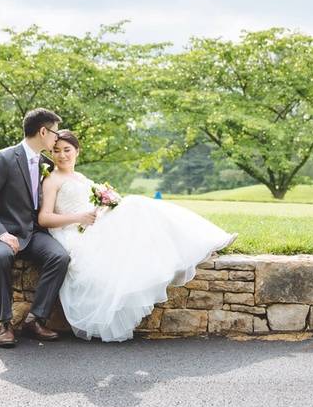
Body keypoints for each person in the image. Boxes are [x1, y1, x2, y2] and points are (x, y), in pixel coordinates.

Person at [37, 130, 237, 342]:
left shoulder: (80, 177)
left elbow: (91, 207)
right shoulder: (52, 180)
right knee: (136, 205)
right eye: (56, 151)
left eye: (67, 150)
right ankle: (197, 247)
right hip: (74, 234)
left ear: (77, 151)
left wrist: (105, 206)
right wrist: (79, 218)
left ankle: (202, 242)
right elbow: (44, 218)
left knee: (139, 209)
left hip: (92, 225)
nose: (62, 155)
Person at [0, 108, 71, 347]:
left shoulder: (45, 162)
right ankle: (5, 324)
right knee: (2, 256)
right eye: (55, 133)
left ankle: (35, 319)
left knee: (60, 257)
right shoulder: (3, 158)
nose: (56, 139)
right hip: (4, 232)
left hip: (34, 232)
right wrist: (1, 233)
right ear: (43, 131)